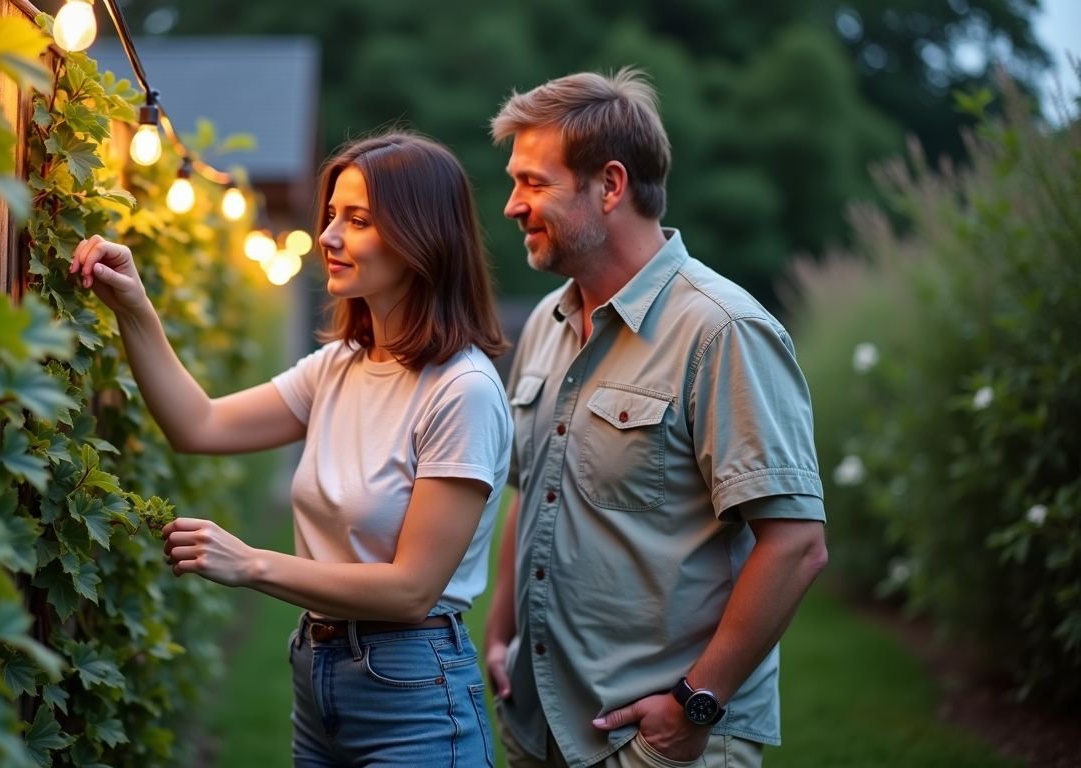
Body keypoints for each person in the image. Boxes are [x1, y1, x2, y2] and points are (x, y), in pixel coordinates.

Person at [70, 131, 511, 767]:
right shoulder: (338, 366)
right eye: (332, 215)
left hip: (414, 694)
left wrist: (251, 563)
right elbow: (200, 426)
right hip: (319, 673)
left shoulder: (461, 392)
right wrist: (134, 306)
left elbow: (412, 589)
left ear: (422, 238)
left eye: (356, 220)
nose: (328, 237)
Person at [483, 68, 829, 768]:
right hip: (538, 724)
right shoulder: (549, 325)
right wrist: (500, 636)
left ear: (610, 186)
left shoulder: (722, 330)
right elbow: (532, 490)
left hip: (663, 742)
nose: (511, 206)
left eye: (533, 182)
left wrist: (694, 704)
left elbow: (795, 546)